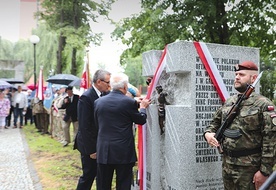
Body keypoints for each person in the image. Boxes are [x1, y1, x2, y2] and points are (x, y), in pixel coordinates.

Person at [203, 61, 276, 190]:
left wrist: (265, 172)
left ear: (253, 78)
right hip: (228, 166)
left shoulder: (263, 104)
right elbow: (214, 124)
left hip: (250, 169)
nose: (237, 77)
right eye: (236, 74)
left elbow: (271, 139)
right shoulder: (229, 102)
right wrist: (208, 134)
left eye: (241, 74)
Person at [94, 72, 151, 190]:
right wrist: (143, 108)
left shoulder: (98, 102)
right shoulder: (128, 102)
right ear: (125, 86)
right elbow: (141, 120)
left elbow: (97, 124)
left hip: (104, 150)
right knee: (124, 184)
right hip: (123, 151)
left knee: (103, 184)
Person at [74, 69, 111, 190]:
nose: (109, 85)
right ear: (99, 81)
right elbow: (84, 126)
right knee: (89, 175)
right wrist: (91, 150)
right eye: (107, 82)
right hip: (89, 145)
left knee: (102, 176)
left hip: (101, 143)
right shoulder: (86, 97)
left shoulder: (105, 95)